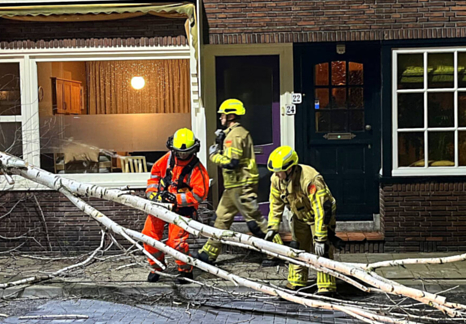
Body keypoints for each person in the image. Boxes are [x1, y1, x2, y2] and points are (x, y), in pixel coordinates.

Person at [197, 99, 267, 265]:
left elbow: (232, 162)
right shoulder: (232, 133)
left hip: (241, 185)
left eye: (223, 114)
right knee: (220, 219)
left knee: (256, 223)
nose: (220, 117)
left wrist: (214, 155)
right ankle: (209, 252)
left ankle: (277, 252)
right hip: (232, 186)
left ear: (231, 115)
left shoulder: (235, 135)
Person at [264, 146, 337, 296]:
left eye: (279, 171)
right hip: (299, 216)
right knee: (297, 248)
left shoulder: (310, 179)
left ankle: (326, 286)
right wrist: (272, 227)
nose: (277, 175)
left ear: (290, 169)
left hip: (322, 217)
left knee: (322, 251)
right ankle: (297, 281)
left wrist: (320, 238)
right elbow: (275, 204)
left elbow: (321, 210)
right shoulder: (277, 180)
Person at [142, 128, 210, 284]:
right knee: (148, 236)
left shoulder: (197, 169)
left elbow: (200, 194)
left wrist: (177, 199)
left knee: (176, 243)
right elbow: (154, 176)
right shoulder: (166, 160)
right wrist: (152, 193)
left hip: (182, 210)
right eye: (178, 152)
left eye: (186, 153)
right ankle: (157, 267)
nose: (182, 155)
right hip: (161, 205)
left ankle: (184, 270)